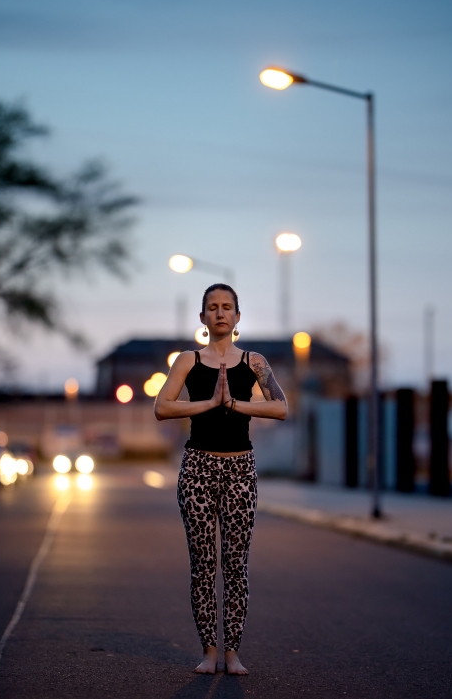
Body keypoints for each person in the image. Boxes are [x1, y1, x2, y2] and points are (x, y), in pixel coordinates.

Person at [154, 283, 288, 675]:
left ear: (238, 316)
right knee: (203, 564)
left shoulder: (255, 361)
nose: (220, 313)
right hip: (197, 468)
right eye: (212, 307)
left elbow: (281, 407)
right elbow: (162, 407)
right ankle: (209, 652)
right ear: (202, 318)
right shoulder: (187, 361)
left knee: (235, 563)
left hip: (240, 469)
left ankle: (233, 652)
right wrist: (210, 404)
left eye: (227, 307)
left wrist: (233, 404)